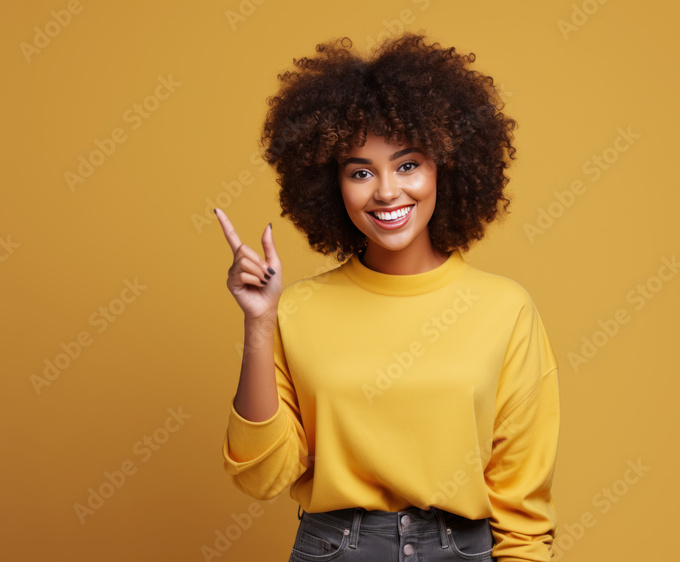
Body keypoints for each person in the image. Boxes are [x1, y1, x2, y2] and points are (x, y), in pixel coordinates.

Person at [215, 31, 559, 562]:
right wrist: (259, 323)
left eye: (407, 165)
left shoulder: (505, 310)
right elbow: (261, 478)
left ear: (446, 166)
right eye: (360, 172)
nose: (386, 191)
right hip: (335, 548)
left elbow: (522, 505)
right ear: (332, 186)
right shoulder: (297, 310)